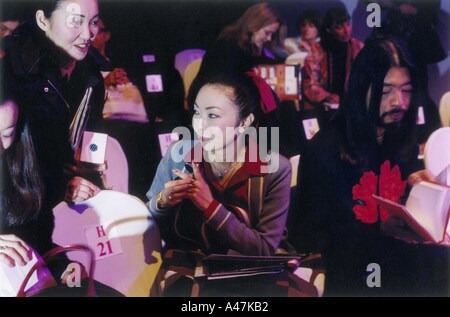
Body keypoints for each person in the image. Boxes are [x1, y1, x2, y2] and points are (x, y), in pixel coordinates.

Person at [290, 37, 449, 296]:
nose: (400, 102)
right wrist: (377, 228)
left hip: (403, 264)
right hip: (354, 275)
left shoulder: (398, 134)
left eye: (407, 90)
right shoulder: (326, 148)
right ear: (361, 88)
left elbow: (400, 205)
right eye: (386, 92)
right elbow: (305, 234)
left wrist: (419, 191)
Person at [146, 71, 291, 296]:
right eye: (196, 112)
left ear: (244, 122)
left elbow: (264, 248)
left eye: (212, 115)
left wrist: (210, 206)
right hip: (189, 266)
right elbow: (148, 222)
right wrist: (163, 201)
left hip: (251, 274)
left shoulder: (274, 168)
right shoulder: (179, 154)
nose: (200, 125)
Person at [2, 0, 105, 207]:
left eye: (94, 22)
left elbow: (90, 143)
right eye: (75, 21)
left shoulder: (92, 78)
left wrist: (88, 173)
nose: (88, 34)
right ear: (42, 20)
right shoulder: (14, 74)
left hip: (66, 201)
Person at [197, 2, 282, 79]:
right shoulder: (228, 45)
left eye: (272, 34)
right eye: (267, 33)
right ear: (254, 24)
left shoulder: (248, 47)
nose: (269, 38)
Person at [320, 7, 364, 104]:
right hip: (324, 104)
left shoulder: (358, 47)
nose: (346, 31)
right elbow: (310, 84)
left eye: (348, 25)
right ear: (329, 30)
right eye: (339, 27)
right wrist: (327, 96)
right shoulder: (318, 49)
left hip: (351, 102)